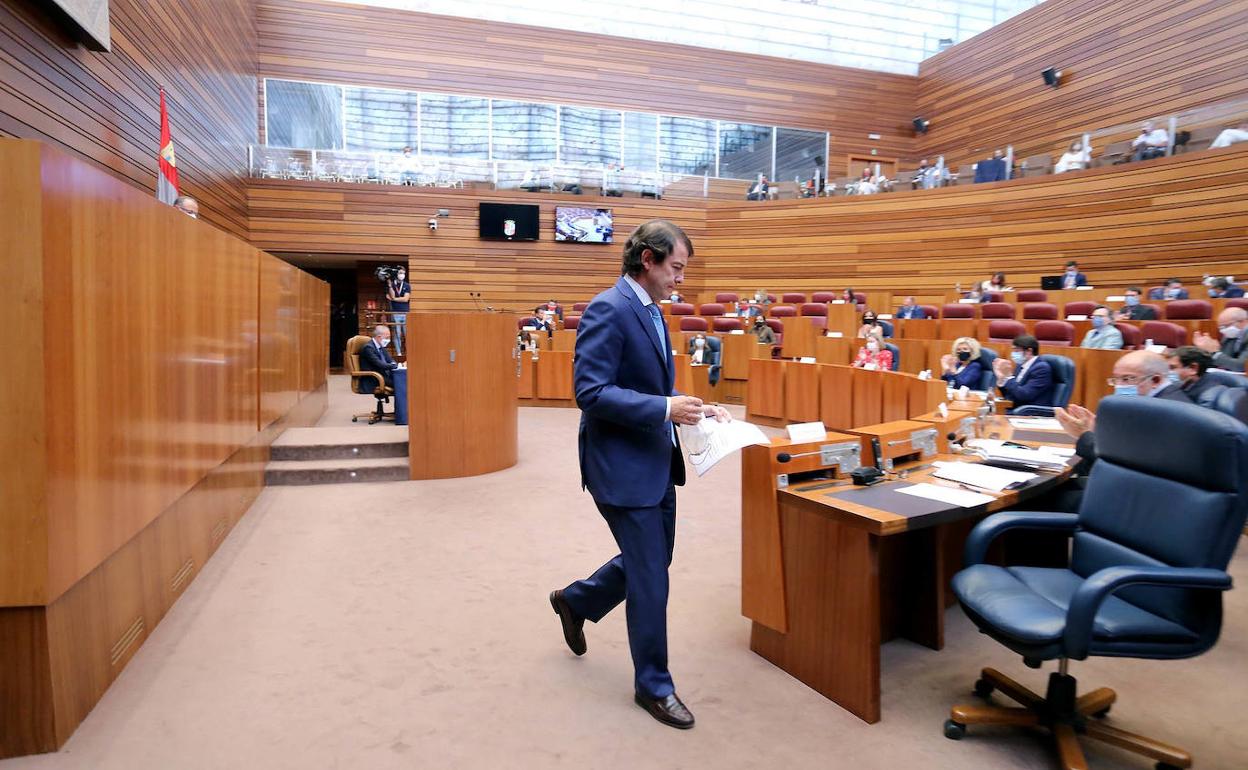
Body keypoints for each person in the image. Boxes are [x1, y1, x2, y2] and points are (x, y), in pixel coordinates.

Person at [550, 219, 729, 731]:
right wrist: (664, 408)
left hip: (654, 459)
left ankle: (576, 600)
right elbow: (591, 392)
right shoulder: (609, 307)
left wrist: (691, 407)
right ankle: (653, 685)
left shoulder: (651, 309)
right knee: (651, 574)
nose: (681, 279)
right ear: (647, 259)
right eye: (676, 268)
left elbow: (649, 387)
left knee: (653, 559)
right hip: (621, 466)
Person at [1055, 351, 1193, 471]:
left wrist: (1084, 434)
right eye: (1116, 379)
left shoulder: (1166, 411)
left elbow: (1123, 461)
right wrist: (1097, 430)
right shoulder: (1161, 399)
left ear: (1155, 380)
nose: (1120, 386)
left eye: (1127, 379)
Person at [992, 335, 1056, 410]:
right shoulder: (1020, 366)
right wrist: (1002, 378)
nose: (1013, 353)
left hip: (1030, 411)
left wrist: (1008, 376)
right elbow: (1011, 393)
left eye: (1017, 350)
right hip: (1016, 408)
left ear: (1029, 351)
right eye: (1013, 350)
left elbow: (1025, 396)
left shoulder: (1041, 369)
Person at [1194, 307, 1248, 372]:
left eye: (1226, 326)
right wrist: (1206, 350)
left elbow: (1241, 367)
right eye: (1221, 327)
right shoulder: (1229, 336)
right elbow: (1224, 362)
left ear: (1244, 321)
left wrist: (1214, 352)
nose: (1223, 330)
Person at [358, 325, 399, 391]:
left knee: (403, 379)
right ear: (379, 337)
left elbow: (390, 360)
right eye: (387, 338)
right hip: (374, 379)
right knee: (401, 383)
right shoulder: (368, 348)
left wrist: (395, 364)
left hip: (383, 376)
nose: (388, 340)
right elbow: (380, 364)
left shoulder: (381, 347)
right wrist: (395, 366)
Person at [385, 266, 411, 357]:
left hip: (405, 313)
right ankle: (399, 354)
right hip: (395, 313)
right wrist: (390, 286)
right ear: (396, 274)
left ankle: (409, 353)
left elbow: (406, 299)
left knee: (407, 334)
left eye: (403, 273)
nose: (402, 275)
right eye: (400, 273)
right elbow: (391, 295)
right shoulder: (392, 284)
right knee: (397, 334)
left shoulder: (407, 285)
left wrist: (394, 299)